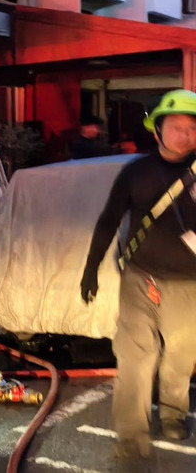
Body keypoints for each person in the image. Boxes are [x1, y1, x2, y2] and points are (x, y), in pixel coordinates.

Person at [80, 89, 196, 459]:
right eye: (176, 126)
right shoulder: (136, 173)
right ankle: (131, 437)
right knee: (135, 357)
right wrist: (90, 269)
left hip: (189, 284)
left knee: (182, 356)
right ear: (157, 129)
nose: (185, 134)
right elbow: (108, 220)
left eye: (193, 128)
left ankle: (174, 415)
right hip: (139, 278)